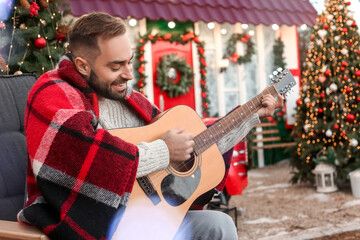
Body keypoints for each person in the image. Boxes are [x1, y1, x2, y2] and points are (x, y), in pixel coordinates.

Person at [19, 12, 283, 240]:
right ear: (83, 65)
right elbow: (83, 157)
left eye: (129, 61)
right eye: (116, 66)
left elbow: (196, 147)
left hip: (148, 218)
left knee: (219, 225)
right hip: (93, 224)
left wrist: (251, 115)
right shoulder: (53, 92)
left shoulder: (131, 101)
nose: (129, 74)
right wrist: (164, 152)